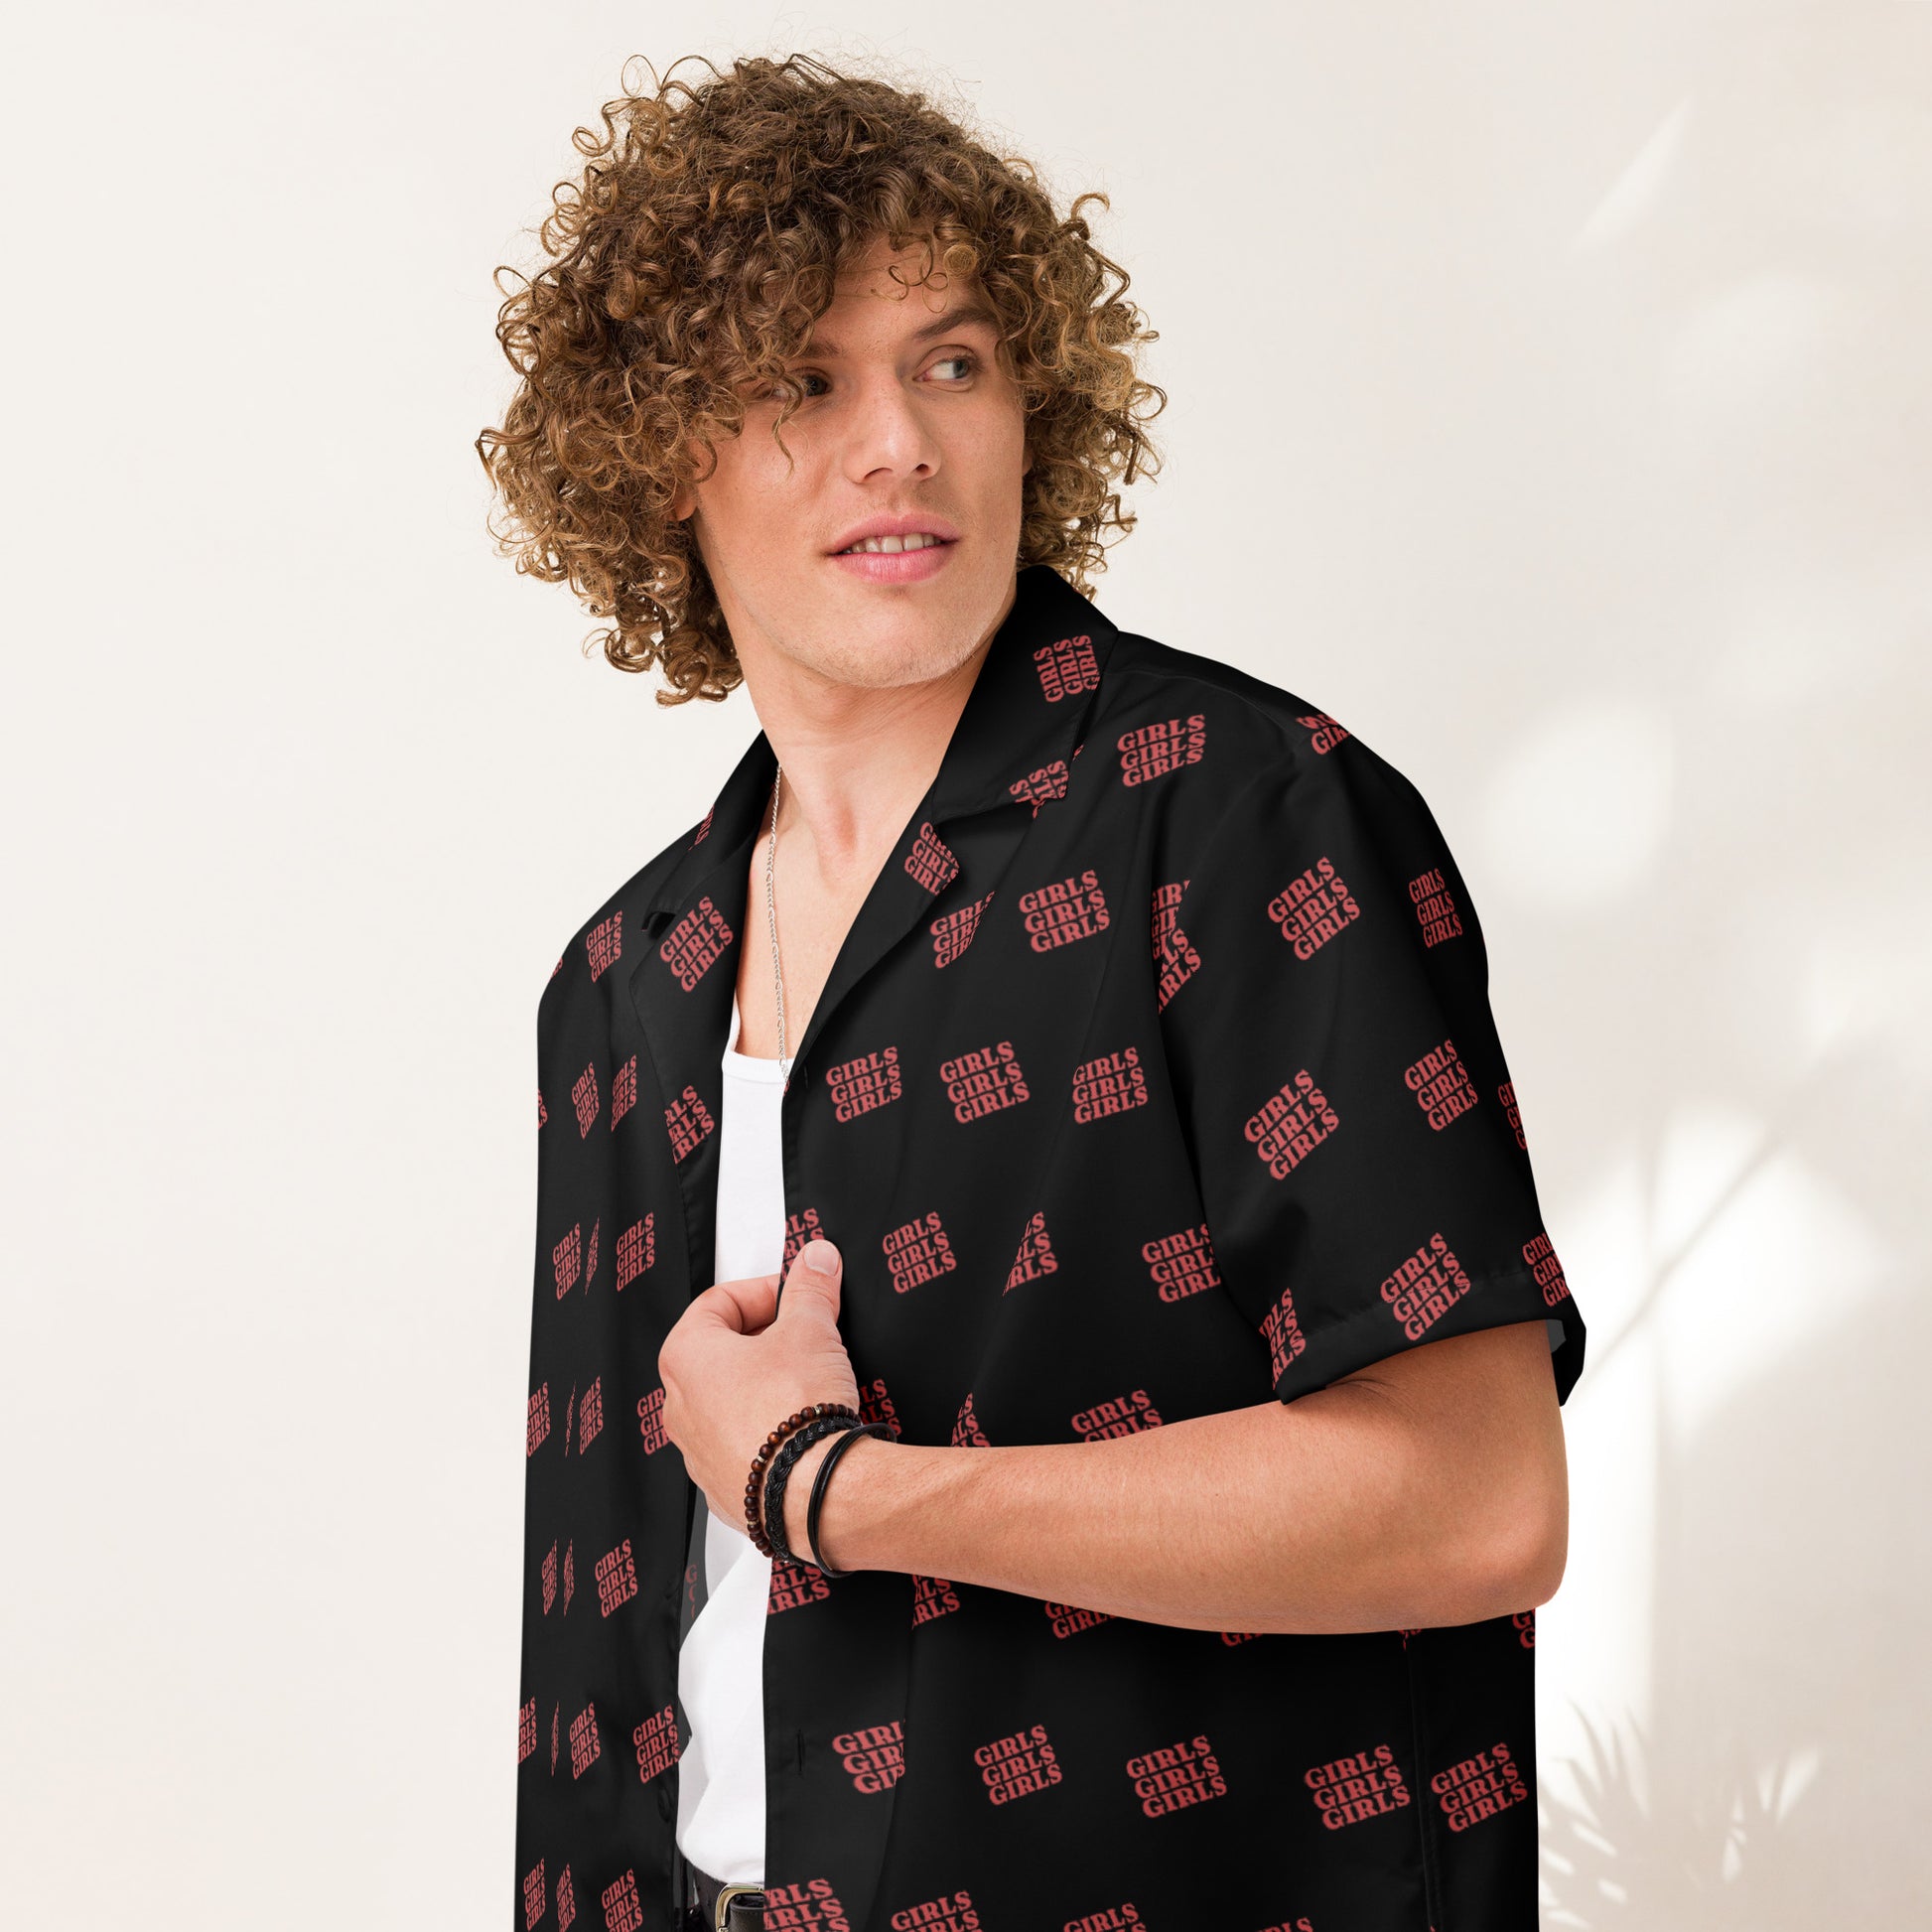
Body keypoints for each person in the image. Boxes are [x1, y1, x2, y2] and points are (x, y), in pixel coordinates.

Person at [480, 51, 1585, 1932]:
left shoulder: (1240, 824)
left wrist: (836, 1488)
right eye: (800, 380)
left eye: (953, 361)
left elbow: (1477, 1500)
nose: (897, 441)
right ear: (662, 454)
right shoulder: (619, 984)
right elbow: (608, 1648)